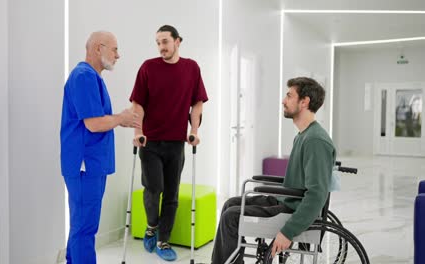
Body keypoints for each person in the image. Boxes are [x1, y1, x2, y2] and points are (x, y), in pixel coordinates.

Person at [210, 77, 336, 264]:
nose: (283, 101)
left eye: (289, 96)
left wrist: (288, 232)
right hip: (287, 200)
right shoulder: (304, 135)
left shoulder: (315, 141)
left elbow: (317, 195)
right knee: (230, 204)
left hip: (292, 209)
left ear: (304, 101)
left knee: (231, 217)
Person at [129, 25, 208, 261]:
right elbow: (138, 103)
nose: (161, 47)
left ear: (177, 41)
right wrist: (138, 131)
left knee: (171, 194)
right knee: (154, 189)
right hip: (150, 141)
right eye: (158, 43)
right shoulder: (148, 67)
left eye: (165, 41)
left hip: (176, 143)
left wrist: (194, 131)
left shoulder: (191, 68)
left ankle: (163, 241)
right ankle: (152, 226)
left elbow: (198, 104)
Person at [60, 31, 140, 264]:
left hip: (91, 165)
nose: (118, 55)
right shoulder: (83, 77)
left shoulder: (91, 77)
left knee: (81, 224)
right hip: (85, 164)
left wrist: (119, 119)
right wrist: (121, 118)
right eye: (114, 49)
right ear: (98, 48)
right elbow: (94, 124)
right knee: (85, 227)